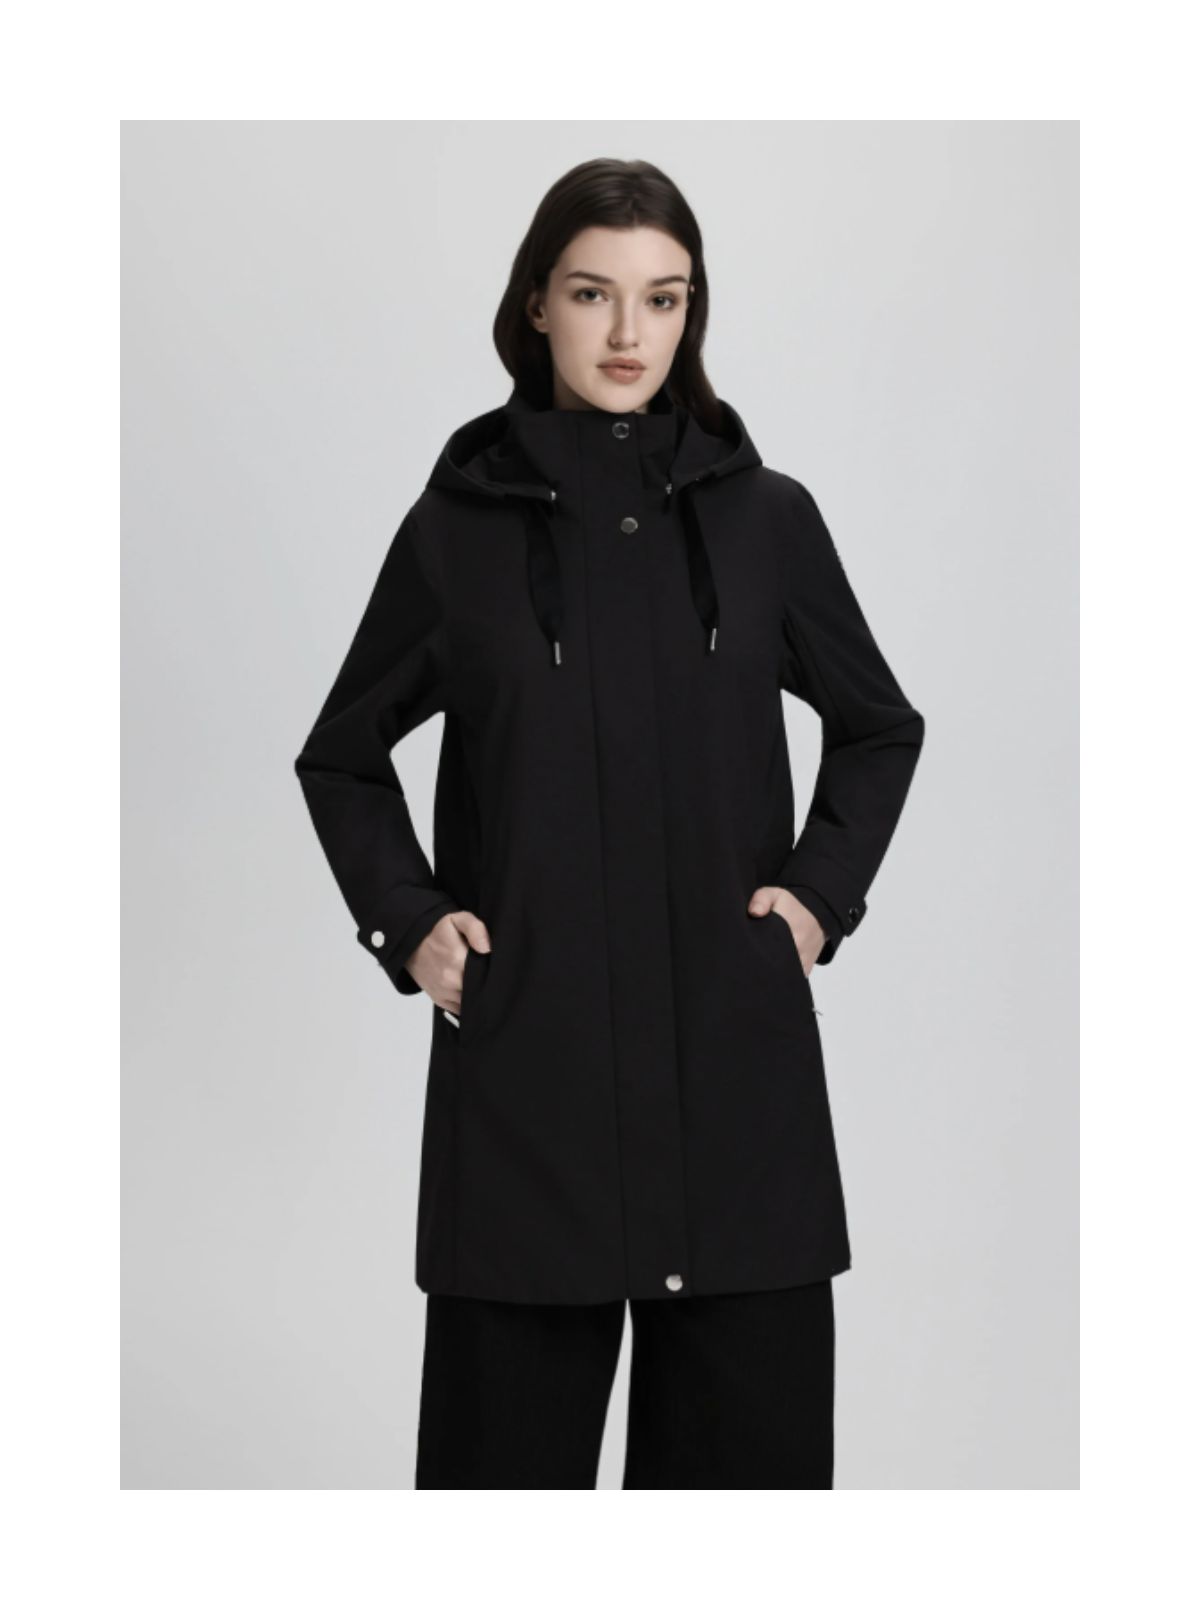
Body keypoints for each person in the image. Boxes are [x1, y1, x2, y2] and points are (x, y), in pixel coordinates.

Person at [294, 157, 925, 1488]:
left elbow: (879, 725)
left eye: (664, 298)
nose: (631, 332)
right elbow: (342, 755)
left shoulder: (766, 522)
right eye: (594, 294)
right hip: (530, 1098)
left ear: (694, 312)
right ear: (537, 304)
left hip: (737, 1104)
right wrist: (408, 922)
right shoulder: (455, 534)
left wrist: (818, 899)